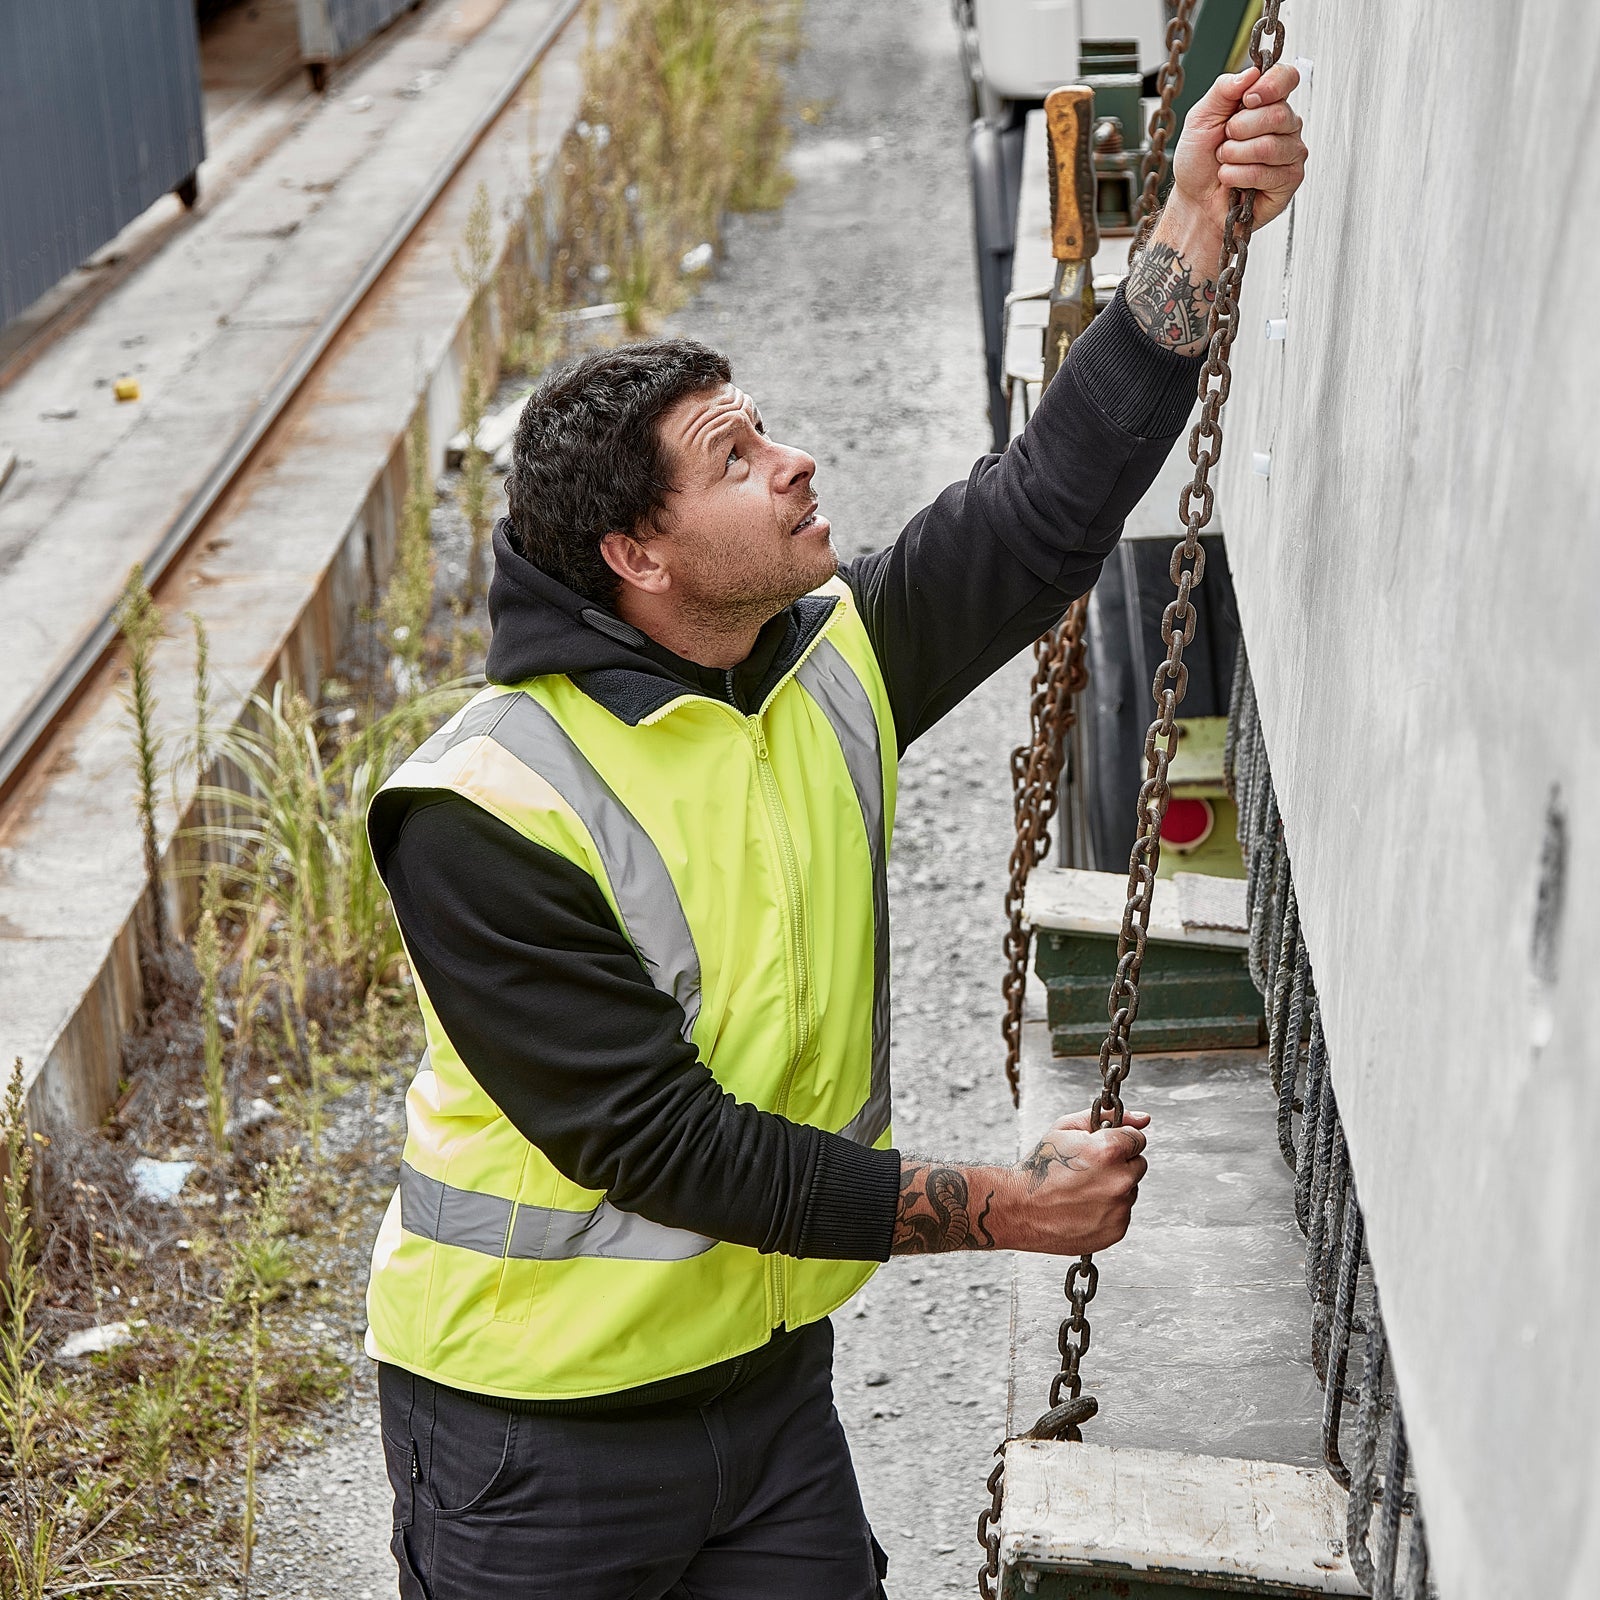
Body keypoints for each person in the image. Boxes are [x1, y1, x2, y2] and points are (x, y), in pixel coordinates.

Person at [364, 61, 1306, 1600]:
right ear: (636, 556)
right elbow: (663, 1146)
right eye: (734, 460)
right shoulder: (483, 811)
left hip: (764, 1393)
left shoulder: (821, 657)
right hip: (529, 1440)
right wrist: (1006, 1208)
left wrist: (1197, 223)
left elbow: (1039, 514)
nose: (792, 459)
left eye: (769, 433)